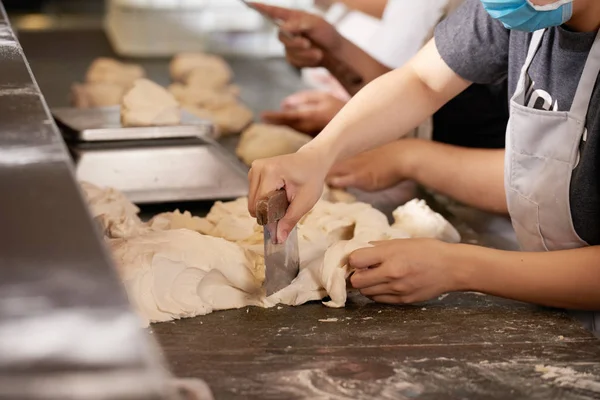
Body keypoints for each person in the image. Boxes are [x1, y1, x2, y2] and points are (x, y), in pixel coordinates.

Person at [248, 0, 600, 333]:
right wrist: (318, 154)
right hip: (551, 302)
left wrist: (458, 267)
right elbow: (422, 79)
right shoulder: (524, 10)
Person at [256, 1, 508, 149]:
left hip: (503, 219)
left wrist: (405, 160)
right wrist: (334, 50)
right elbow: (422, 86)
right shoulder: (483, 12)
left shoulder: (517, 12)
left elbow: (530, 164)